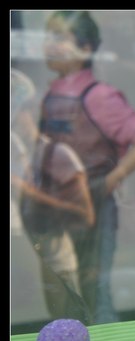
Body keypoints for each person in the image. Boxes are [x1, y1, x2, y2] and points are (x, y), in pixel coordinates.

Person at [40, 11, 135, 324]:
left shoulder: (100, 97)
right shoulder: (52, 94)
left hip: (93, 203)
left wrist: (110, 180)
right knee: (60, 293)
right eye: (48, 36)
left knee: (94, 293)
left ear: (85, 48)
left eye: (59, 37)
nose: (48, 44)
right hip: (57, 205)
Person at [11, 68, 94, 322]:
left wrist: (25, 191)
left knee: (67, 333)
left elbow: (85, 216)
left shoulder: (59, 156)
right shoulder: (20, 155)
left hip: (57, 269)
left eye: (16, 110)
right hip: (27, 271)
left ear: (30, 112)